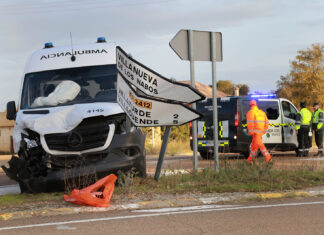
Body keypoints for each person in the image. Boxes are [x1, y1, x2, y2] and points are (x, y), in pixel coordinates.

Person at [246, 100, 272, 165]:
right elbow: (266, 122)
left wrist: (251, 132)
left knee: (260, 145)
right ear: (256, 105)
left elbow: (250, 123)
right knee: (254, 147)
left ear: (250, 105)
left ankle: (268, 158)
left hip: (255, 132)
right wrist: (264, 131)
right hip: (260, 132)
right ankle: (250, 159)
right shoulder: (262, 112)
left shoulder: (250, 112)